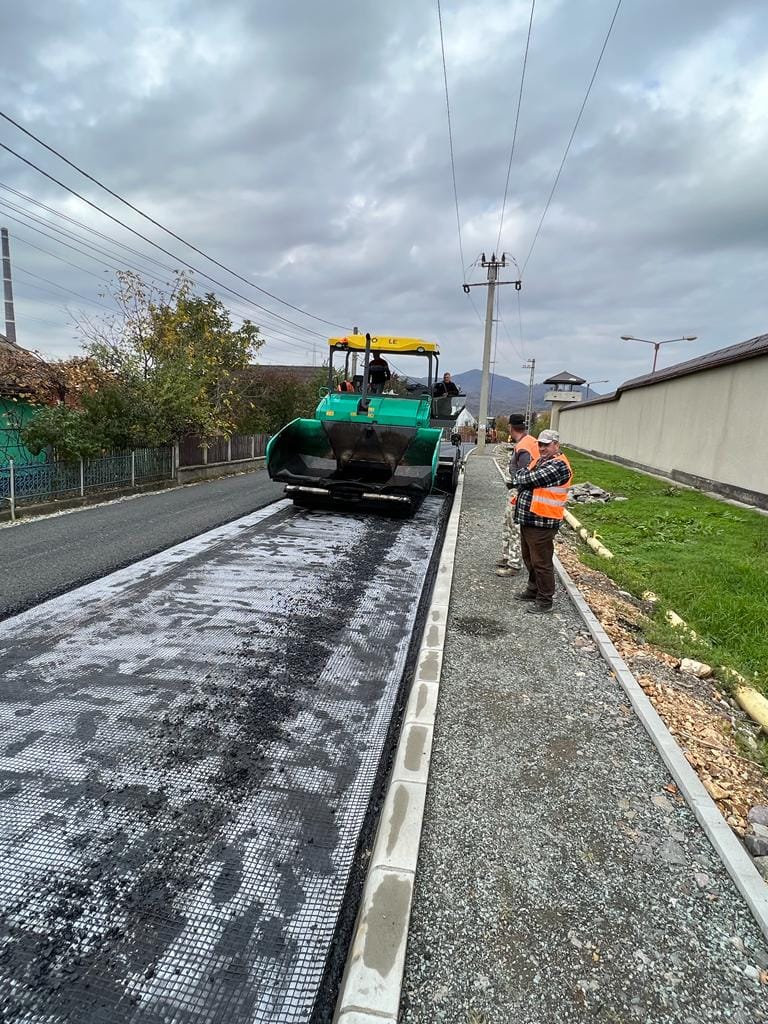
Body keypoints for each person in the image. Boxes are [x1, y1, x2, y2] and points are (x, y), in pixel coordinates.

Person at [511, 428, 573, 614]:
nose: (542, 448)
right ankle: (533, 590)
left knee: (541, 562)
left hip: (543, 521)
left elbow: (527, 477)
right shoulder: (540, 461)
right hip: (530, 519)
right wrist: (522, 477)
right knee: (529, 558)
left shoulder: (558, 466)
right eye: (540, 444)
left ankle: (545, 600)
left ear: (556, 445)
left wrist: (521, 477)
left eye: (546, 445)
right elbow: (522, 474)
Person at [497, 414, 539, 577]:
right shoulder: (529, 441)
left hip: (519, 492)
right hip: (517, 490)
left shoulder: (524, 447)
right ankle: (507, 556)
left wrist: (518, 490)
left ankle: (513, 563)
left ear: (510, 427)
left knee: (514, 526)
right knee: (508, 523)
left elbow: (524, 474)